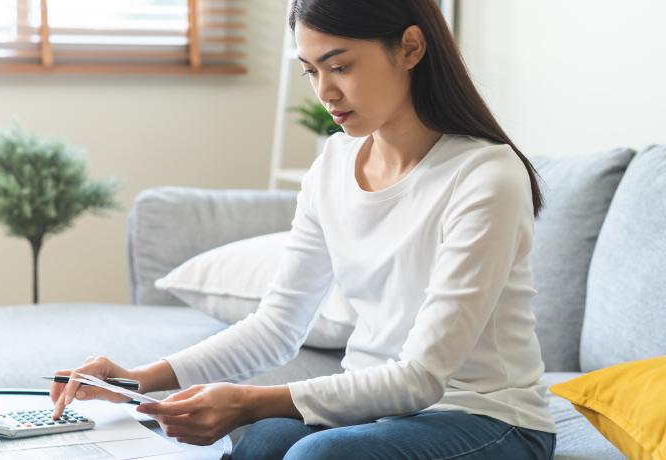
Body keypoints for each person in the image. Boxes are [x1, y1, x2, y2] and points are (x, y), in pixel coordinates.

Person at [49, 0, 558, 458]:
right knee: (265, 441)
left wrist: (248, 401)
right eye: (310, 71)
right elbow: (277, 327)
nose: (325, 92)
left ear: (410, 47)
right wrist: (138, 379)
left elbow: (422, 378)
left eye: (340, 66)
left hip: (490, 420)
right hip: (380, 409)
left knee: (319, 455)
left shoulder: (484, 176)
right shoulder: (333, 166)